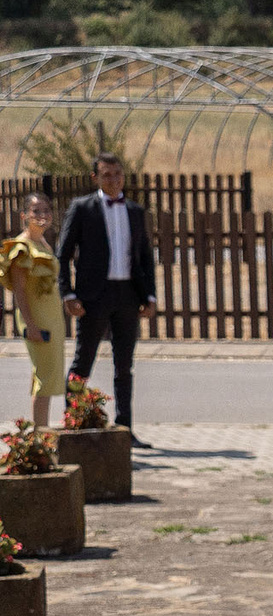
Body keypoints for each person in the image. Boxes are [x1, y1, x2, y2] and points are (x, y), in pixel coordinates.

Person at [54, 153, 156, 447]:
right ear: (95, 178)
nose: (113, 179)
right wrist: (69, 294)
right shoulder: (82, 208)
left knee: (124, 365)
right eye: (107, 174)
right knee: (83, 361)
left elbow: (145, 257)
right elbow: (63, 255)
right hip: (93, 297)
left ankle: (125, 429)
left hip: (127, 295)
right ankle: (73, 424)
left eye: (118, 174)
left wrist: (149, 295)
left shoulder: (135, 211)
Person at [3, 193, 65, 428]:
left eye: (46, 210)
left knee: (47, 376)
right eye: (36, 211)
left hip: (51, 317)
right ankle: (41, 436)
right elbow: (19, 291)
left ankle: (43, 433)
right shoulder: (22, 247)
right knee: (44, 377)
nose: (42, 215)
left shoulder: (43, 243)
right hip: (36, 318)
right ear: (24, 215)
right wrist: (31, 325)